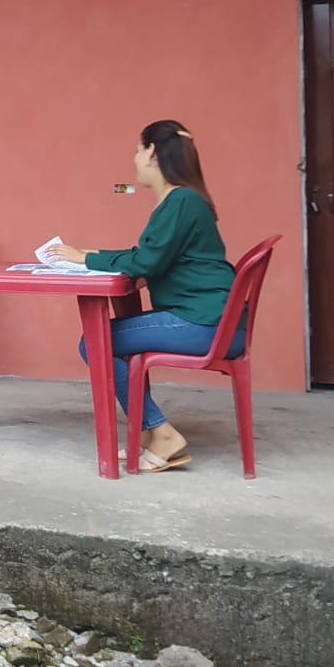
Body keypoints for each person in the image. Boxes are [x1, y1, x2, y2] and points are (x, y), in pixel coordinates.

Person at [46, 120, 240, 473]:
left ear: (152, 151)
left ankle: (161, 433)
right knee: (102, 340)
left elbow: (146, 263)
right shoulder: (184, 199)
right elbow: (149, 255)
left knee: (94, 342)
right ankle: (152, 432)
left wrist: (85, 259)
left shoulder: (180, 200)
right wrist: (93, 254)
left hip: (204, 322)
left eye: (138, 150)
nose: (135, 158)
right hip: (211, 318)